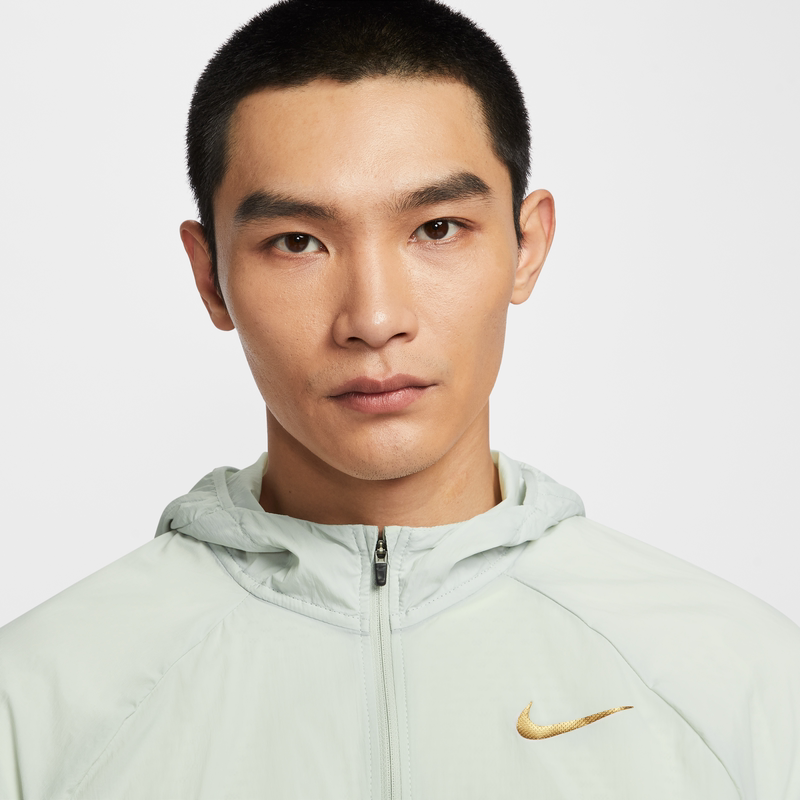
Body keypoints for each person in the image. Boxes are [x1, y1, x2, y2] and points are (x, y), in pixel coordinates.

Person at [1, 0, 798, 797]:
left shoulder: (742, 680)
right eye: (297, 242)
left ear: (527, 246)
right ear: (210, 276)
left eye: (438, 228)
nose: (375, 318)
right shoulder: (38, 703)